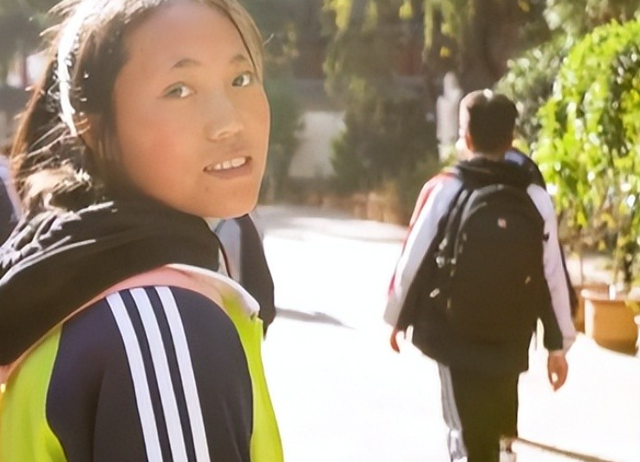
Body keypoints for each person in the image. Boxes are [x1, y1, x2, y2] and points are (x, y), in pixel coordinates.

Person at [0, 0, 283, 460]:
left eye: (241, 78)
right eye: (179, 89)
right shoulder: (164, 328)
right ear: (91, 128)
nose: (230, 121)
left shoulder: (70, 277)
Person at [384, 90, 576, 462]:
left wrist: (397, 318)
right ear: (512, 138)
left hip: (453, 334)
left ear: (466, 138)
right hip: (511, 336)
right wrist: (558, 343)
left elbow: (414, 258)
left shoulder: (445, 188)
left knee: (464, 430)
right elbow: (551, 272)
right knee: (496, 424)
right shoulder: (534, 196)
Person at [214, 213, 277, 335]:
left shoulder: (232, 225)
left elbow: (230, 279)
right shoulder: (243, 222)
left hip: (243, 319)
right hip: (253, 316)